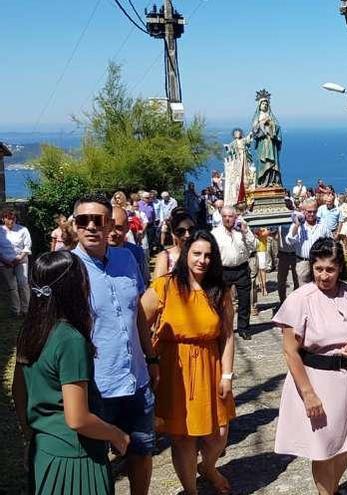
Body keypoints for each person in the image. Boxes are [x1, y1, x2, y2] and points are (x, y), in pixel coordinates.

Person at [12, 251, 131, 495]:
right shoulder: (70, 339)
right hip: (76, 459)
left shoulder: (30, 331)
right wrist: (117, 434)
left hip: (44, 451)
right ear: (74, 288)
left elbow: (19, 391)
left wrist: (31, 436)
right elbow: (77, 418)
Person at [273, 238, 347, 495]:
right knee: (323, 448)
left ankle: (333, 487)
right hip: (315, 380)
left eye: (330, 269)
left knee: (346, 443)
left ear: (340, 267)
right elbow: (290, 351)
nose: (324, 275)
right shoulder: (301, 299)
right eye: (318, 269)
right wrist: (308, 393)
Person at [72, 194, 156, 495]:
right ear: (75, 225)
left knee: (142, 453)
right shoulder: (68, 269)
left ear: (111, 224)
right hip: (96, 385)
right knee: (95, 462)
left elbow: (138, 317)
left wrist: (152, 358)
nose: (92, 226)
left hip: (137, 380)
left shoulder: (127, 259)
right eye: (84, 220)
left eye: (100, 220)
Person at [141, 232, 236, 494]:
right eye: (197, 253)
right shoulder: (165, 286)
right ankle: (191, 490)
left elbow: (227, 335)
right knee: (183, 436)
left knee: (218, 434)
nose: (202, 260)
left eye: (208, 255)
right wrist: (149, 358)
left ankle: (207, 467)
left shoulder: (220, 290)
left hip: (210, 365)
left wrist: (227, 375)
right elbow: (138, 323)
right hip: (175, 368)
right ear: (186, 255)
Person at [212, 206, 256, 340]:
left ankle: (244, 328)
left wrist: (245, 232)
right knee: (220, 301)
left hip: (241, 269)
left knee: (244, 300)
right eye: (224, 216)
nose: (227, 219)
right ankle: (220, 328)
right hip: (223, 270)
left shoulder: (242, 230)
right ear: (221, 217)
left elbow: (253, 246)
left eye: (230, 216)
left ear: (235, 217)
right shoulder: (215, 233)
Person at [285, 198, 333, 296]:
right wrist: (297, 225)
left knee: (321, 290)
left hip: (319, 262)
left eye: (314, 212)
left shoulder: (323, 224)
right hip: (303, 263)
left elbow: (330, 242)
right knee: (305, 292)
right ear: (303, 211)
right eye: (309, 212)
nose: (311, 214)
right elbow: (289, 240)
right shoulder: (297, 225)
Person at [0, 209, 32, 316]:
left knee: (23, 284)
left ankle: (26, 309)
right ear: (3, 219)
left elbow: (27, 246)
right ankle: (16, 310)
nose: (11, 221)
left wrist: (18, 259)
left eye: (13, 219)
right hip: (4, 262)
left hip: (21, 260)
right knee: (12, 287)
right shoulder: (0, 231)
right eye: (9, 219)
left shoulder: (23, 230)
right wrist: (4, 261)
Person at [109, 207, 150, 286]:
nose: (113, 233)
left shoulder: (136, 252)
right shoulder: (94, 254)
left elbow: (145, 282)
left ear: (127, 228)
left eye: (118, 228)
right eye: (109, 227)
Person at [154, 209, 196, 279]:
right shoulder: (165, 256)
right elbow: (157, 286)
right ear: (173, 234)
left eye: (191, 230)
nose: (187, 235)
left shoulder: (203, 254)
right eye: (181, 231)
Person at [255, 227, 270, 296]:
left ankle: (264, 287)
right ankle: (260, 285)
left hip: (261, 249)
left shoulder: (264, 225)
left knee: (262, 269)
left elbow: (266, 233)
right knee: (257, 269)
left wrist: (258, 232)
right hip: (253, 250)